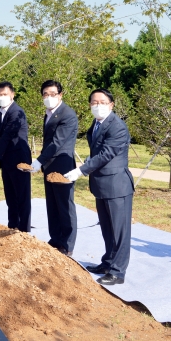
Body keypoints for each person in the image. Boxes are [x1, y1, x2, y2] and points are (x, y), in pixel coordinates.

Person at [64, 88, 135, 285]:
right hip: (101, 184)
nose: (98, 106)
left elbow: (106, 154)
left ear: (111, 105)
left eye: (102, 102)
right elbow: (97, 151)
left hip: (116, 185)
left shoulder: (117, 127)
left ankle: (117, 272)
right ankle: (108, 262)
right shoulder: (96, 124)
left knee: (119, 231)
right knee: (107, 227)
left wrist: (81, 170)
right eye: (94, 102)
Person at [29, 80, 79, 256]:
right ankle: (55, 238)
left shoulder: (67, 115)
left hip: (62, 165)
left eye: (52, 94)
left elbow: (58, 142)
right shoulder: (49, 113)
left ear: (60, 95)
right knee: (52, 204)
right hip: (49, 165)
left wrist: (39, 161)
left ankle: (67, 244)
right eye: (45, 94)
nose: (48, 97)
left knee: (64, 205)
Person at [0, 81, 32, 232]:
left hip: (19, 159)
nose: (1, 97)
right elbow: (1, 136)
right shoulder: (0, 111)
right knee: (10, 196)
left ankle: (24, 230)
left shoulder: (17, 112)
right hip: (7, 160)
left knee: (22, 197)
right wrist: (0, 157)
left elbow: (8, 136)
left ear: (12, 94)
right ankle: (13, 226)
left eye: (5, 94)